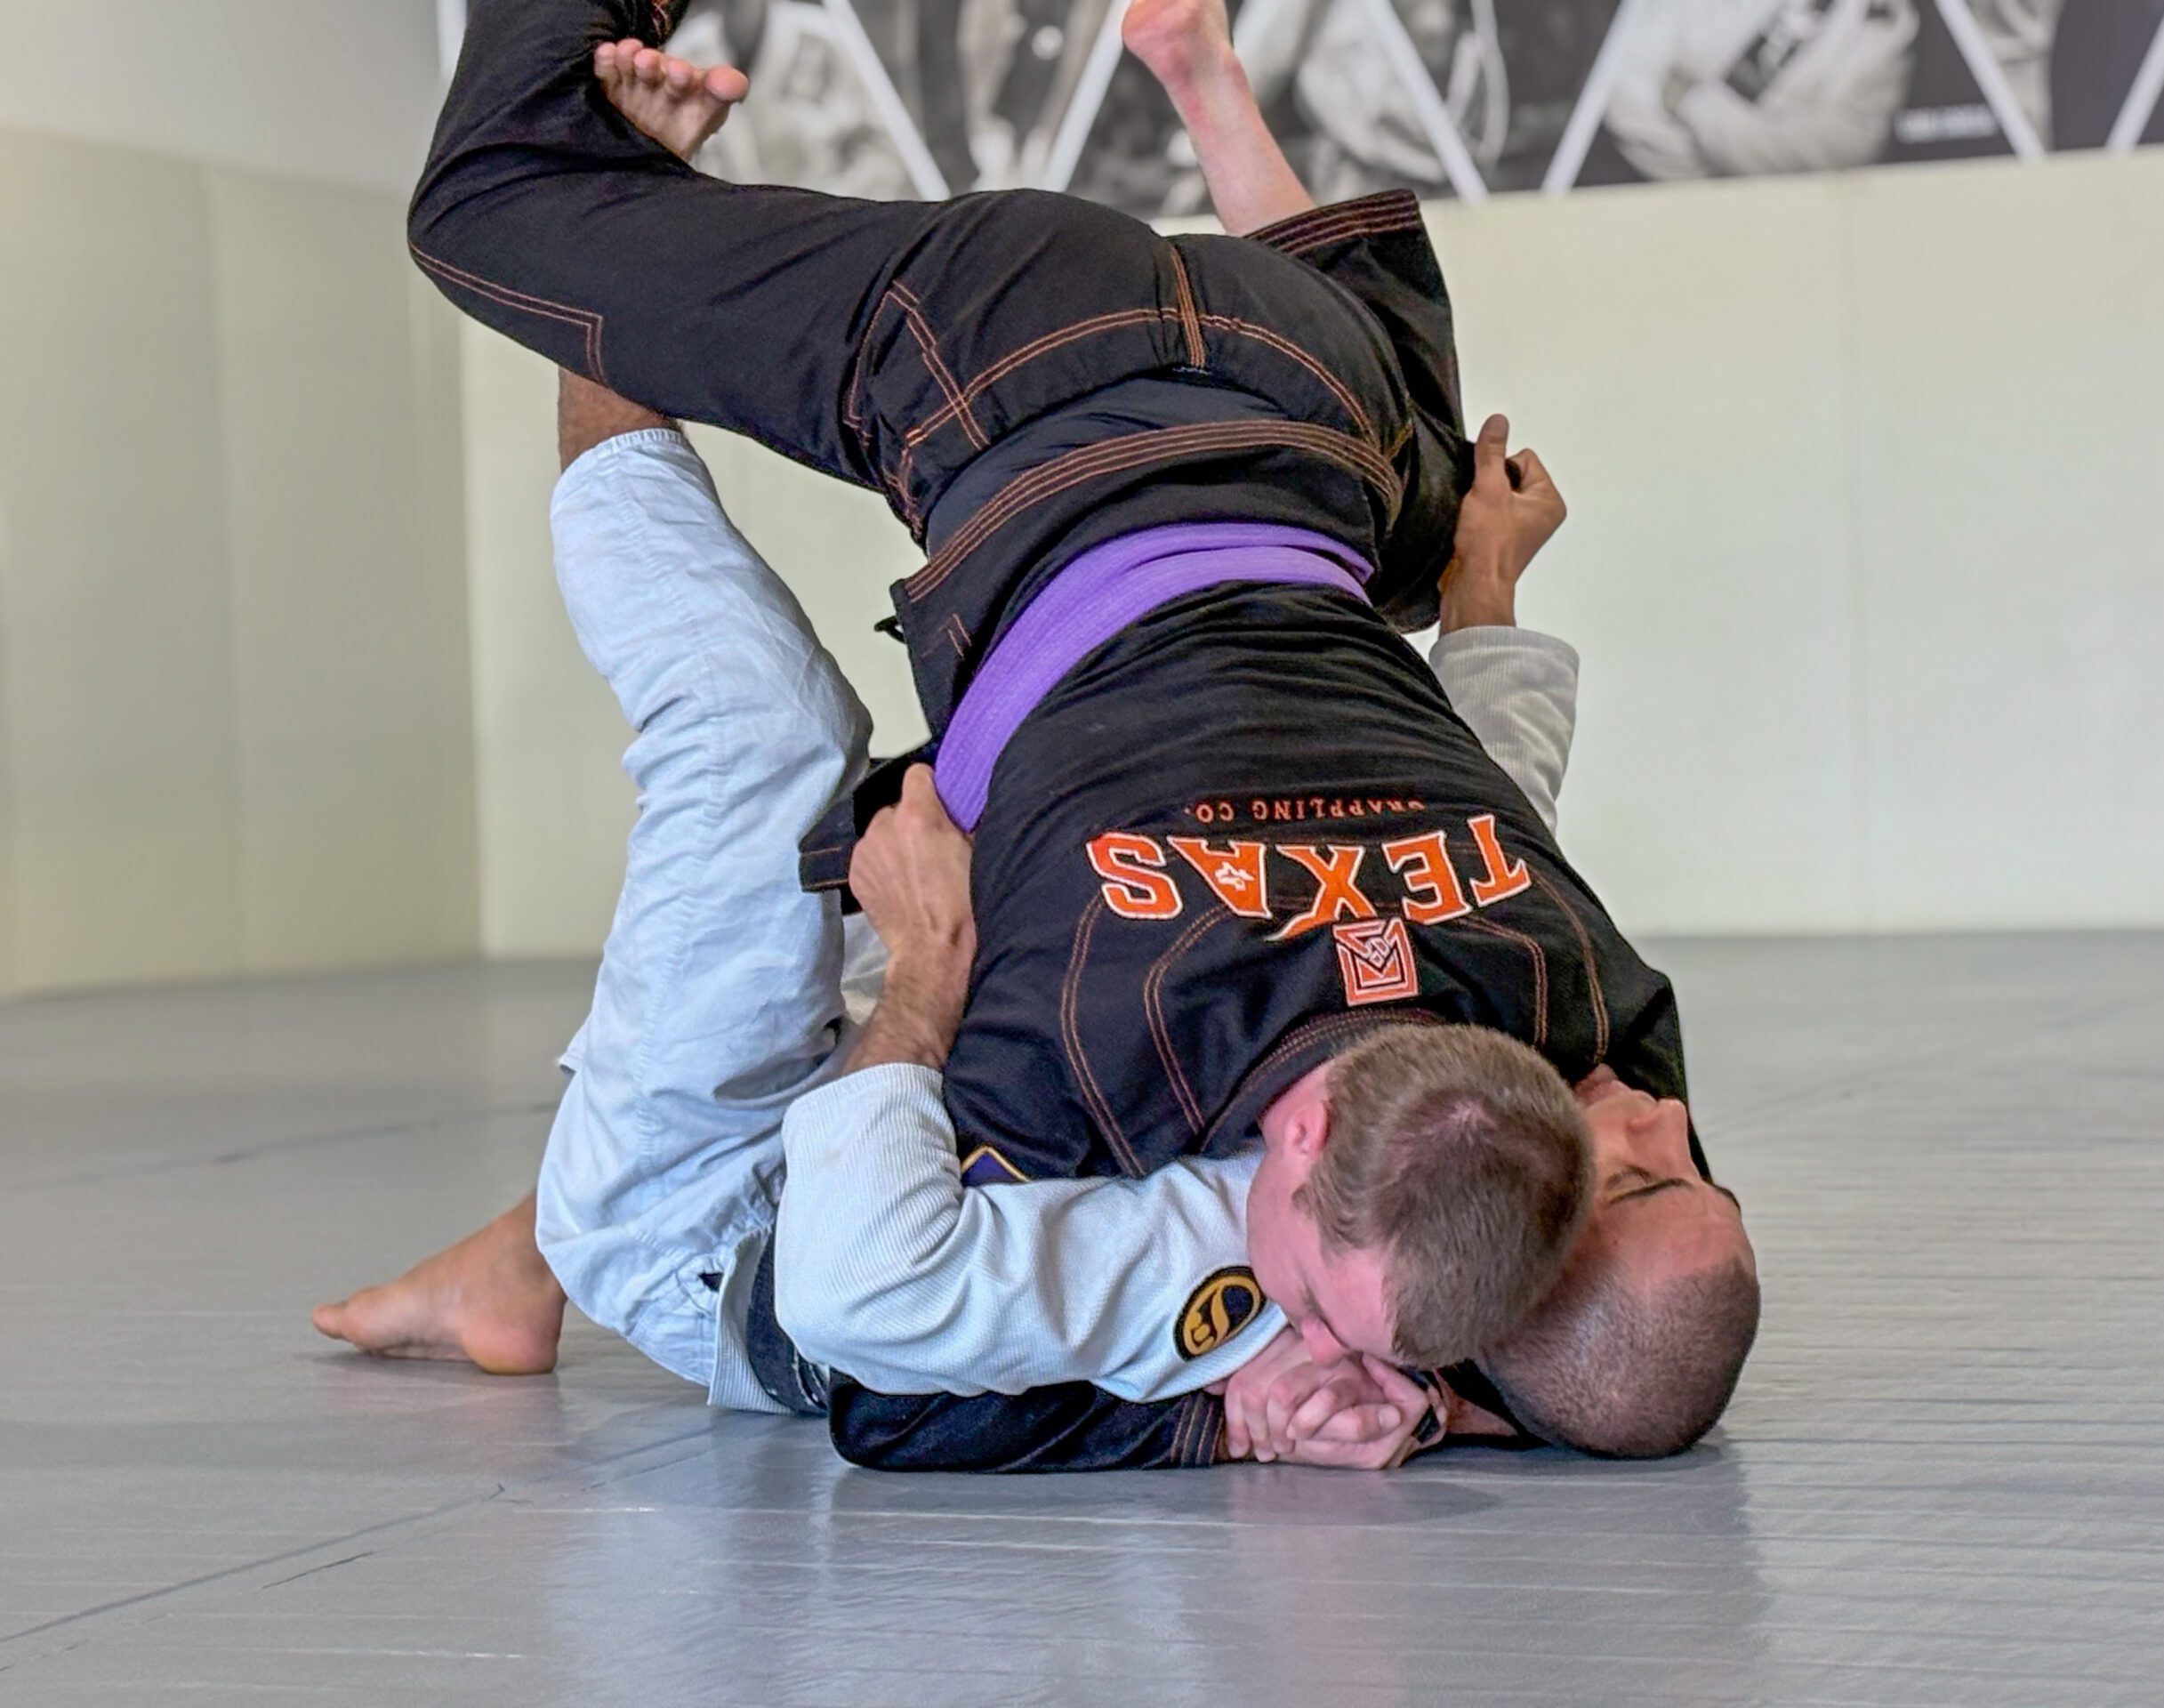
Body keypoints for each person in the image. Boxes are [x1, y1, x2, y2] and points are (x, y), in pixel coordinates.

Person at [406, 0, 1756, 1463]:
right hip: (1002, 384)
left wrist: (1481, 576)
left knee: (1397, 510)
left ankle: (515, 1266)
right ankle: (619, 206)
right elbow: (875, 1354)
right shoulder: (1211, 1073)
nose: (1657, 1127)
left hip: (1294, 375)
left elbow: (1503, 786)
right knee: (526, 245)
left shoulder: (1487, 1033)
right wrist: (1212, 1423)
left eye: (1624, 1185)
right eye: (1663, 1177)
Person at [316, 356, 1583, 1469]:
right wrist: (1482, 592)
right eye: (1648, 1151)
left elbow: (867, 1339)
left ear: (1302, 1138)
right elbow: (1481, 818)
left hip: (728, 1238)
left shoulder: (1215, 1274)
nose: (1639, 1114)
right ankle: (509, 1268)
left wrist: (1230, 1421)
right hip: (929, 1126)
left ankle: (596, 299)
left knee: (766, 737)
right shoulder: (1470, 1125)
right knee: (1043, 872)